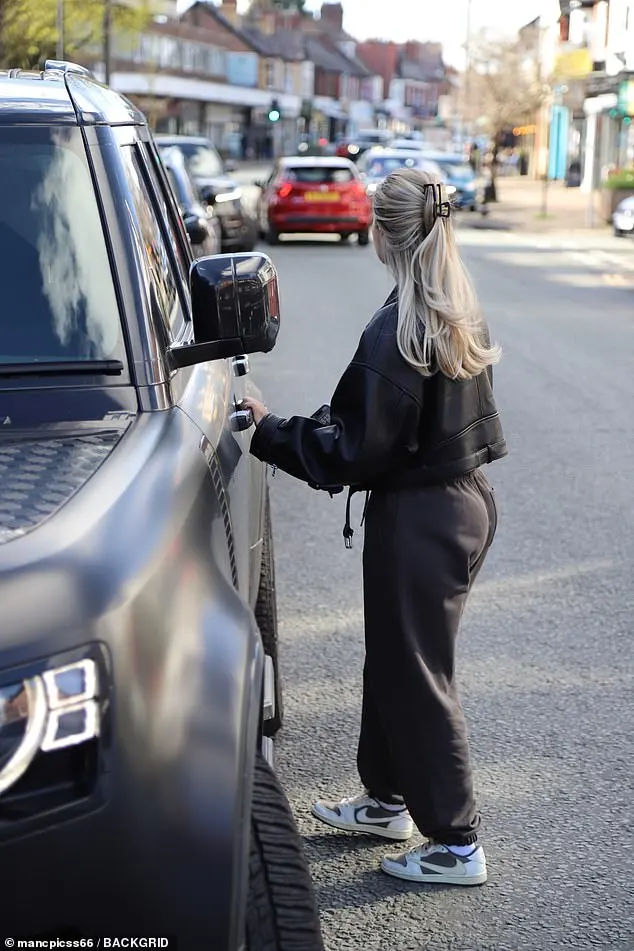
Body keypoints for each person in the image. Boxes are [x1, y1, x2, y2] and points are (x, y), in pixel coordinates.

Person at [242, 167, 507, 887]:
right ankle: (388, 799)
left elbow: (353, 449)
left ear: (380, 233)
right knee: (397, 659)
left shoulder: (400, 326)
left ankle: (456, 843)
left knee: (418, 675)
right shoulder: (448, 302)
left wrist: (269, 432)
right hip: (461, 501)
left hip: (423, 517)